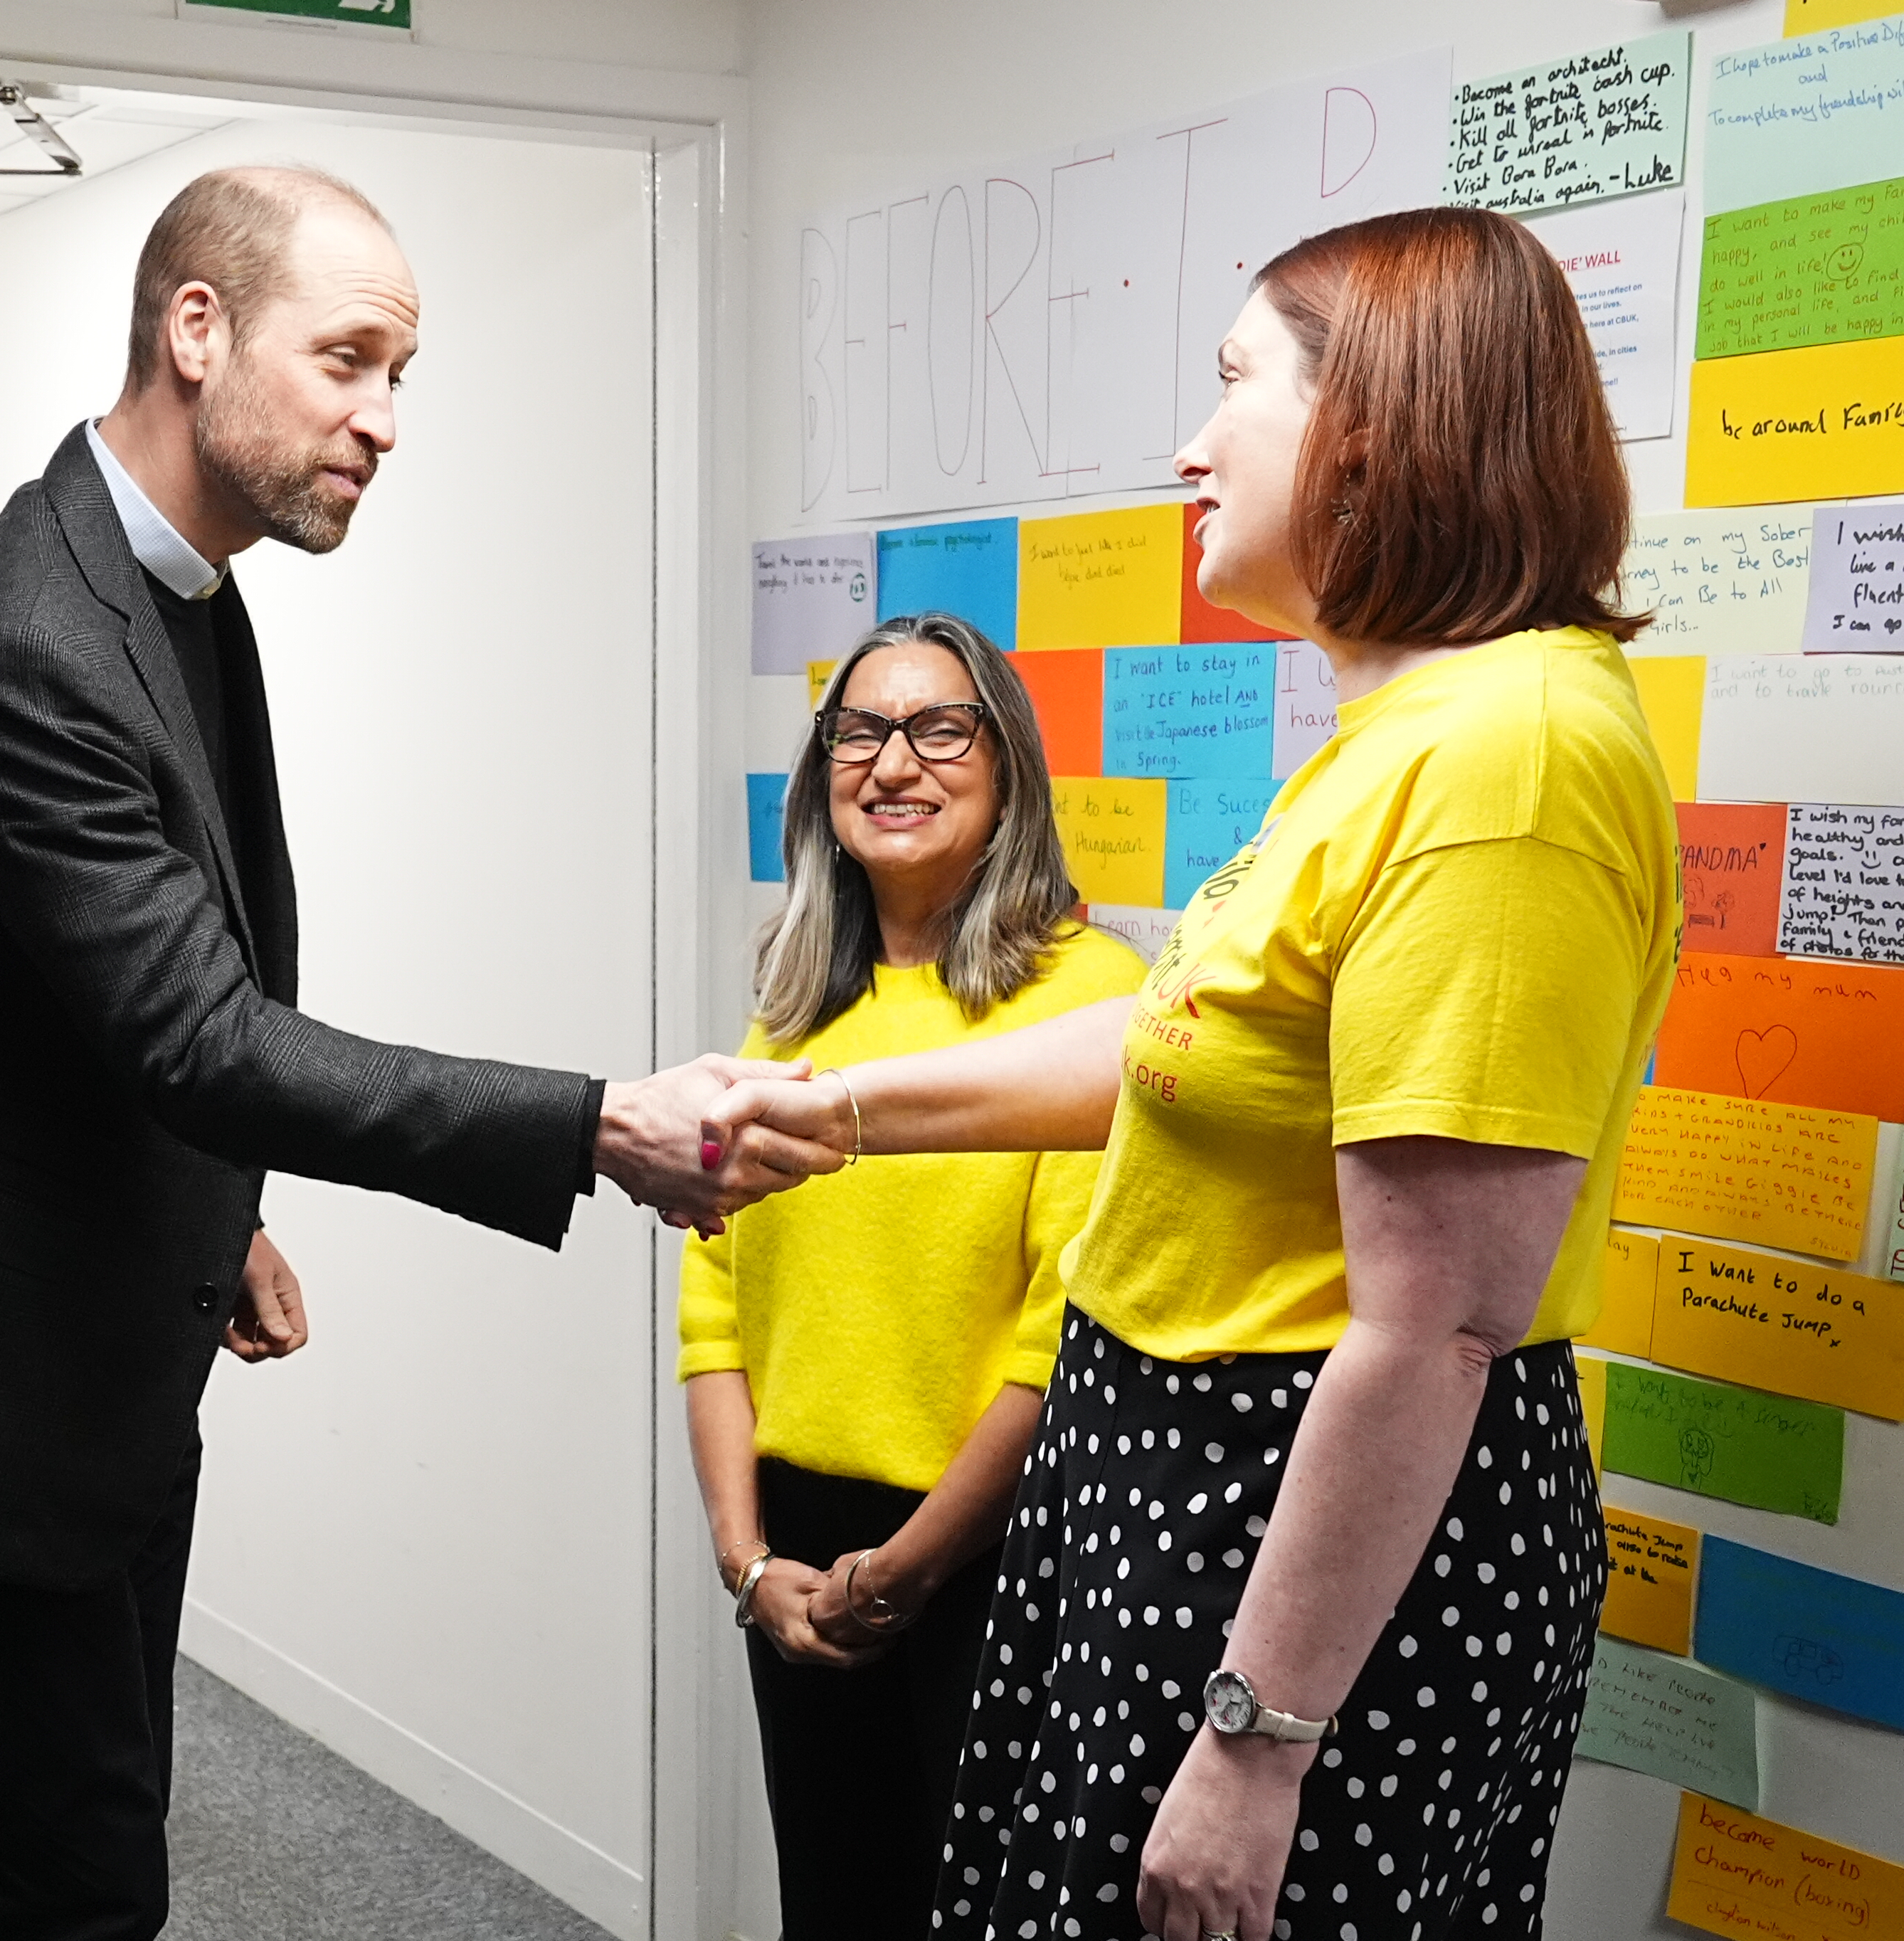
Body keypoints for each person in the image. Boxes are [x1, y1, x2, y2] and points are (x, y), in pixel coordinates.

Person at [0, 165, 764, 1941]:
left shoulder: (176, 584)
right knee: (81, 1875)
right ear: (196, 328)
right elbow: (195, 1030)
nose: (383, 418)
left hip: (113, 1308)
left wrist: (214, 1211)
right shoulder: (20, 639)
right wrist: (597, 1122)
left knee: (104, 1837)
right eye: (349, 360)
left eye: (401, 375)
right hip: (3, 1368)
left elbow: (109, 989)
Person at [699, 206, 1675, 1941]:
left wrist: (1255, 1735)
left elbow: (1434, 1326)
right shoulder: (1398, 736)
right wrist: (825, 1110)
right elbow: (1180, 1045)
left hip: (1289, 1545)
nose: (1189, 444)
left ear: (1371, 426)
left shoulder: (1504, 761)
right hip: (1182, 1503)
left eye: (1234, 383)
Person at [681, 612, 1143, 1940]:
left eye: (941, 730)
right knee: (830, 1905)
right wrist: (748, 1561)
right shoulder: (793, 1005)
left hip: (992, 1550)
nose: (894, 764)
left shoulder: (1092, 1002)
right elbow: (715, 1304)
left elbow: (1063, 1343)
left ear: (1008, 769)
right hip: (795, 1542)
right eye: (861, 732)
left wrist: (903, 1573)